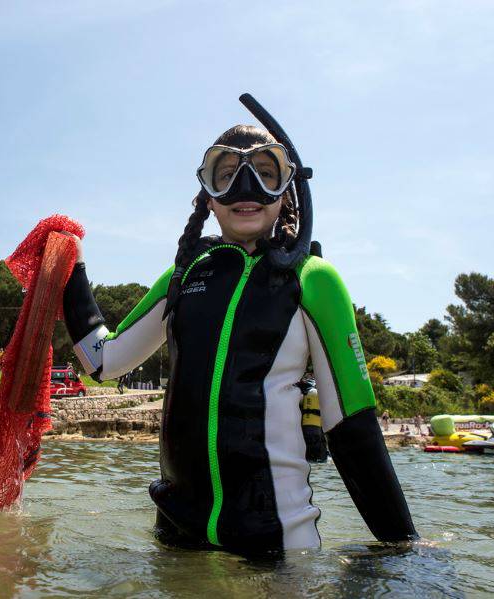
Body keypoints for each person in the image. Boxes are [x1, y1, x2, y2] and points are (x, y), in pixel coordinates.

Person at [62, 97, 416, 554]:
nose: (245, 189)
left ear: (286, 190)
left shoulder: (312, 280)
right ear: (208, 196)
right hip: (175, 535)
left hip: (276, 541)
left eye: (264, 175)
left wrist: (404, 548)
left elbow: (353, 429)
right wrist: (72, 264)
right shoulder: (183, 276)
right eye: (226, 175)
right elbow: (101, 361)